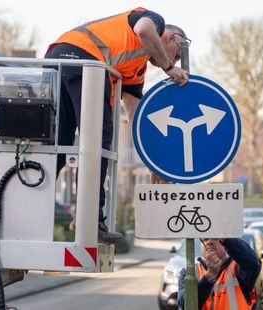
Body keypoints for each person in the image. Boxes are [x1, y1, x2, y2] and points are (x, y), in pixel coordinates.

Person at [45, 8, 190, 244]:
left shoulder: (136, 69)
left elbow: (136, 121)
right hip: (83, 58)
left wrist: (154, 164)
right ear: (171, 38)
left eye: (174, 61)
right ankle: (90, 220)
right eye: (175, 56)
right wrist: (168, 68)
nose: (173, 61)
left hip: (60, 57)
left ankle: (23, 201)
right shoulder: (154, 22)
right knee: (98, 138)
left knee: (60, 143)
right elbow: (143, 29)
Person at [177, 238, 261, 310]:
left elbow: (253, 264)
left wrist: (224, 235)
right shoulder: (190, 273)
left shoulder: (238, 269)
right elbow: (184, 305)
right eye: (205, 239)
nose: (209, 241)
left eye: (215, 237)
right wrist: (210, 276)